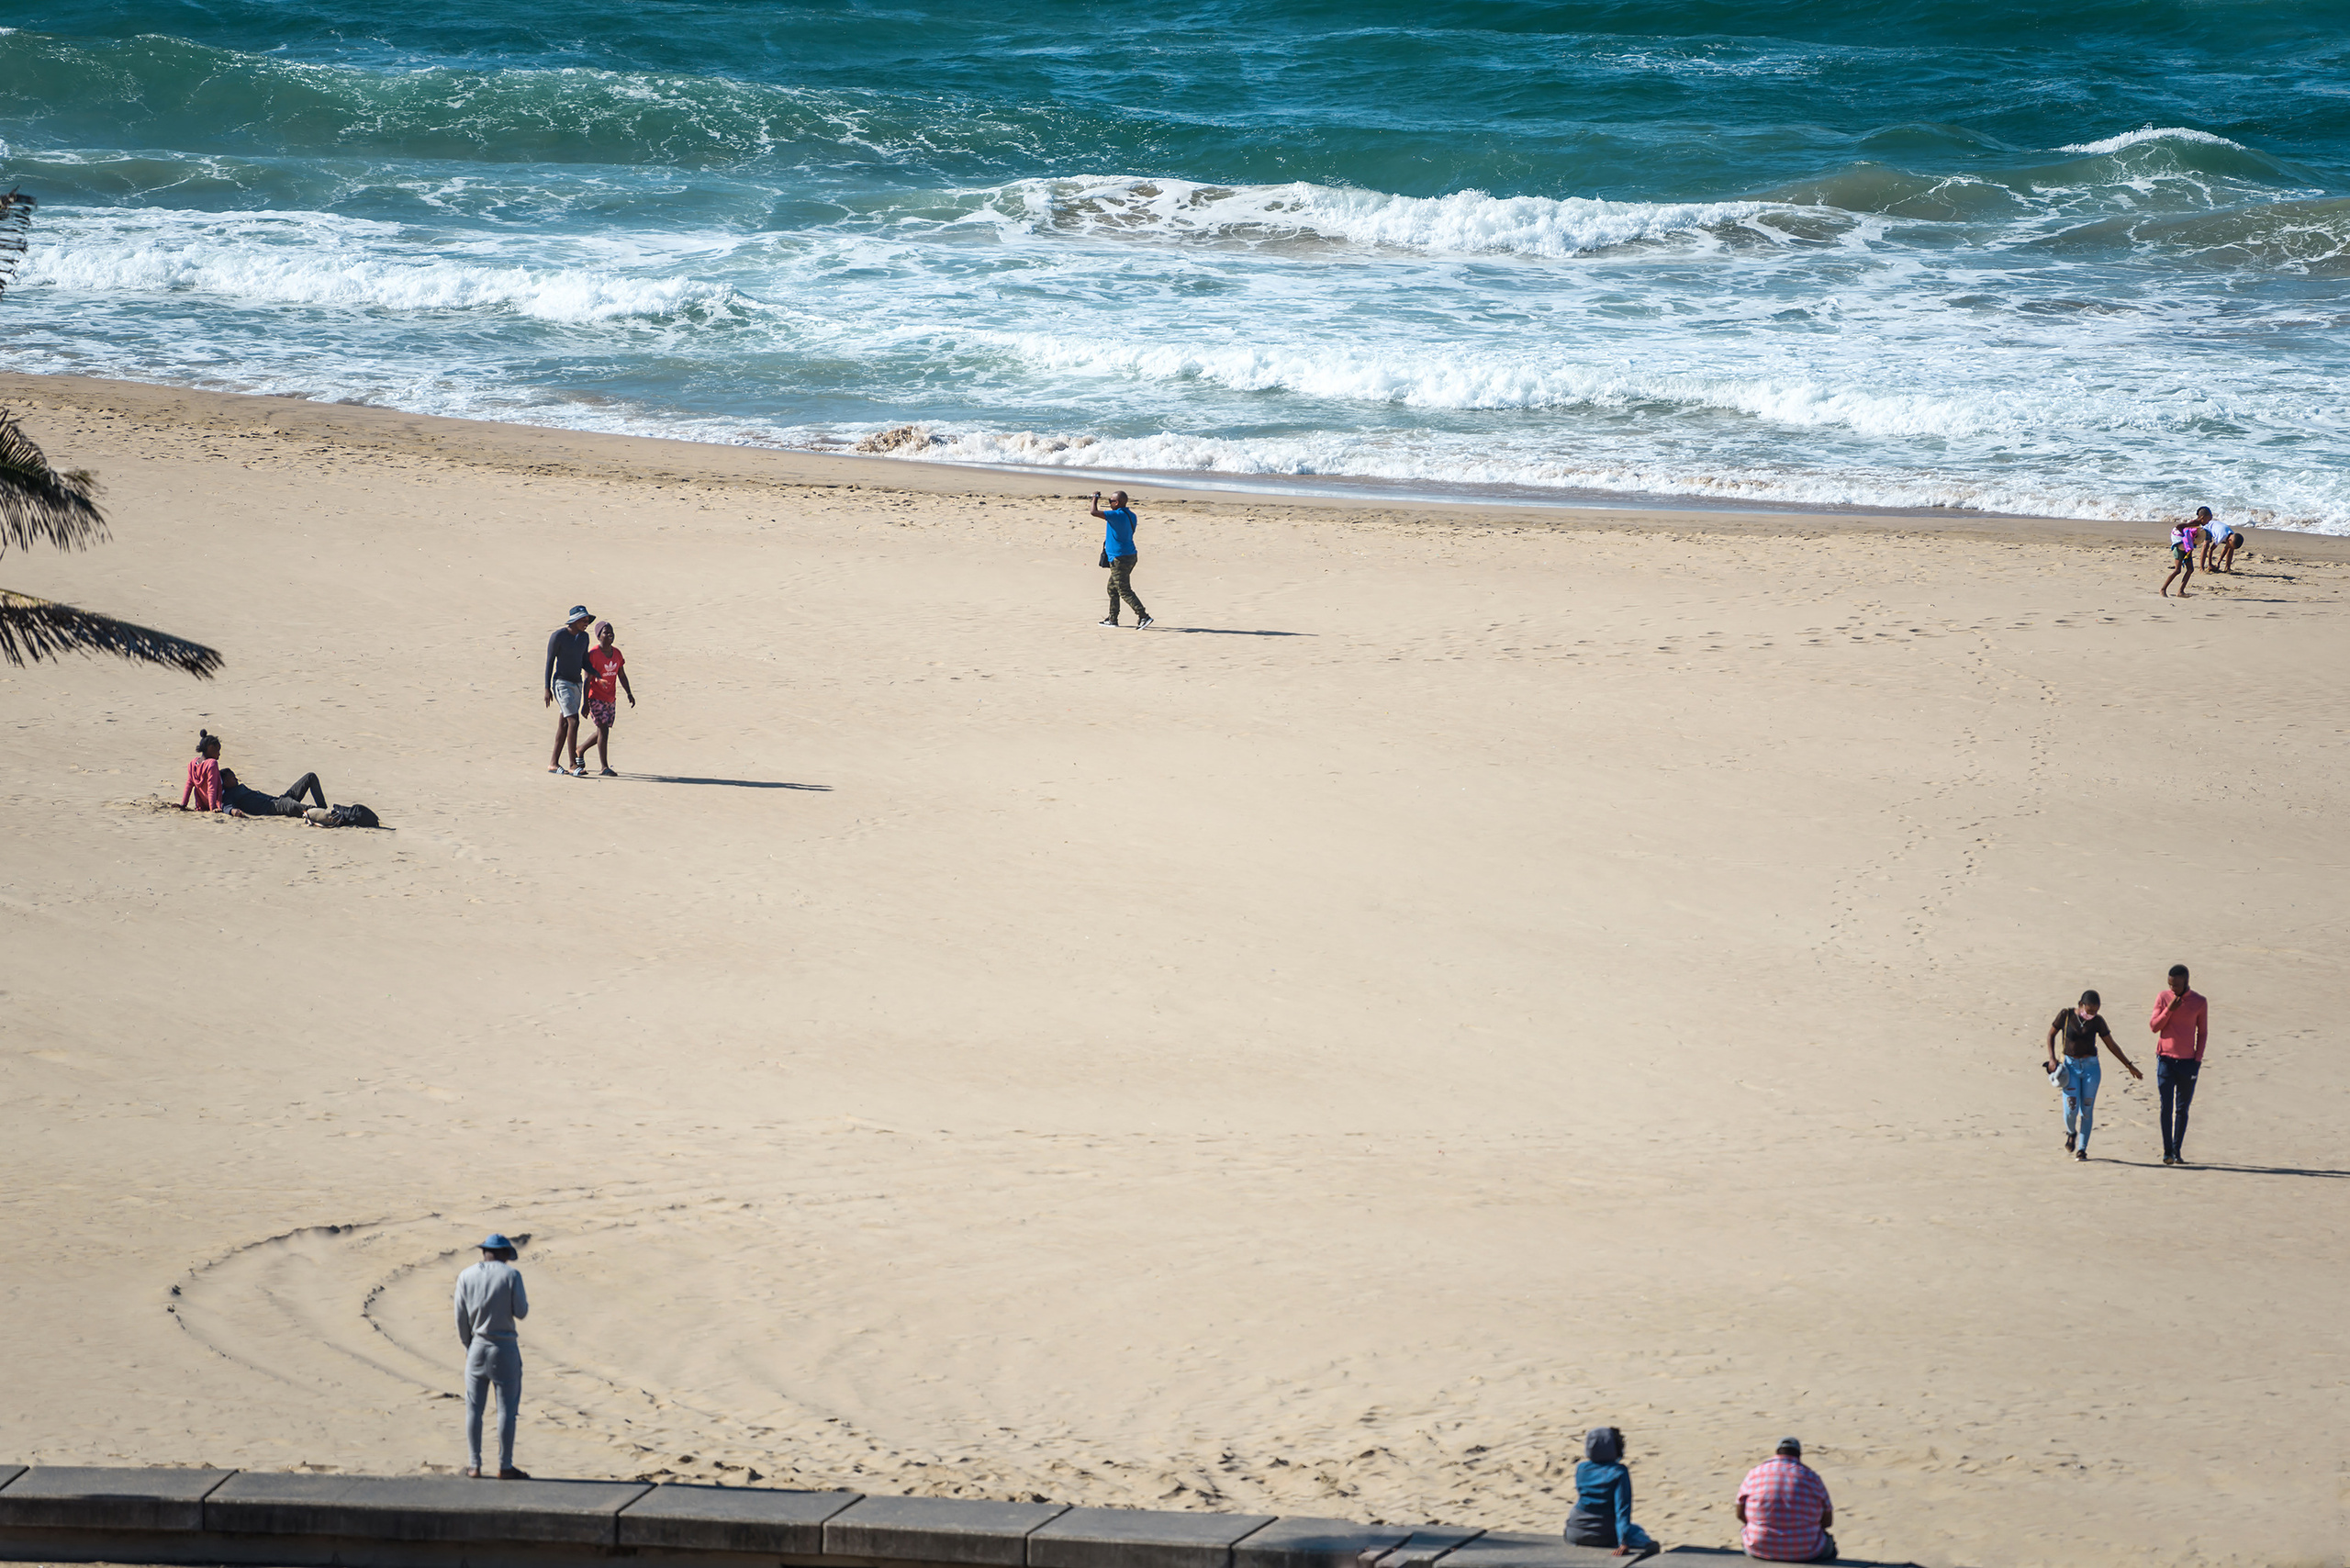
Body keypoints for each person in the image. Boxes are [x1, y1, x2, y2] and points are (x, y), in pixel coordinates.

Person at [454, 1231, 531, 1480]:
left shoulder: (466, 1275)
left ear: (485, 1252)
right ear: (505, 1255)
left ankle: (474, 1465)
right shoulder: (511, 1275)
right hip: (504, 1347)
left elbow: (460, 1317)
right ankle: (505, 1465)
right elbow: (521, 1312)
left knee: (473, 1409)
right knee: (506, 1410)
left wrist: (469, 1345)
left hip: (477, 1346)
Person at [2042, 990, 2143, 1161]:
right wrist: (2052, 1059)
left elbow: (2111, 1045)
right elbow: (2051, 1034)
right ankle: (2071, 1132)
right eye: (2089, 1011)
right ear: (2081, 1005)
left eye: (2095, 1011)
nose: (2092, 1014)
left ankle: (2082, 1149)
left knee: (2087, 1109)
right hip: (2070, 1068)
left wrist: (2129, 1065)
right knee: (2071, 1108)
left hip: (2091, 1069)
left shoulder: (2098, 1022)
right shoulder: (2066, 1015)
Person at [1562, 1426, 1659, 1559]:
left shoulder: (1581, 1468)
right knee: (1640, 1534)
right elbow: (1622, 1509)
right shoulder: (1618, 1472)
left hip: (1575, 1532)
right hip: (1604, 1533)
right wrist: (1623, 1542)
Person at [1735, 1437, 1834, 1562]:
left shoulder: (1754, 1473)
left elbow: (1740, 1513)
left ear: (1777, 1452)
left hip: (1759, 1547)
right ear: (1799, 1455)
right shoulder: (1812, 1477)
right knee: (1829, 1546)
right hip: (1807, 1550)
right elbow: (1827, 1522)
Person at [2149, 964, 2210, 1165]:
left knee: (2182, 1109)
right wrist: (2169, 1010)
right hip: (2165, 1060)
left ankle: (2177, 1150)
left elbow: (2203, 1033)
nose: (2172, 988)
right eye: (2170, 984)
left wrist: (2197, 1060)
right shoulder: (2163, 997)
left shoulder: (2199, 1002)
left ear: (2186, 981)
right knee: (2166, 1107)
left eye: (2175, 985)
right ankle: (2167, 1152)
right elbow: (2154, 1027)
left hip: (2187, 1064)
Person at [577, 619, 634, 778]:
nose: (609, 635)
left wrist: (629, 693)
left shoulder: (617, 653)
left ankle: (580, 749)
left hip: (610, 697)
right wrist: (585, 703)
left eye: (611, 632)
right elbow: (587, 680)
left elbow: (621, 675)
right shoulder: (593, 655)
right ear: (598, 636)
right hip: (595, 697)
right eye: (605, 632)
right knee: (603, 728)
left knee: (603, 730)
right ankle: (604, 767)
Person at [1090, 489, 1153, 629]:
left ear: (1117, 502)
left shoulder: (1116, 515)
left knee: (1124, 589)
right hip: (1129, 555)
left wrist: (1094, 498)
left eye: (1110, 501)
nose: (1109, 503)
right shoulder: (1131, 515)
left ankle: (1143, 616)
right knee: (1112, 588)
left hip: (1120, 558)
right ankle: (1112, 619)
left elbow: (1093, 512)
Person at [544, 605, 595, 776]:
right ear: (573, 621)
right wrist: (547, 688)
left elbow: (585, 662)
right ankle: (573, 764)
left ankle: (553, 763)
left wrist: (598, 675)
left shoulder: (584, 637)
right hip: (561, 683)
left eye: (587, 620)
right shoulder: (558, 636)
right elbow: (550, 662)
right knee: (574, 721)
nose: (586, 623)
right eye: (583, 620)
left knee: (564, 723)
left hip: (577, 683)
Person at [179, 730, 223, 812]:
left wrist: (183, 804)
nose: (219, 754)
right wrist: (213, 807)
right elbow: (211, 787)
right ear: (211, 748)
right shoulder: (212, 764)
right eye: (218, 750)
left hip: (202, 803)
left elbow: (189, 785)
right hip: (215, 801)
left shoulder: (192, 763)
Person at [2161, 518, 2200, 598]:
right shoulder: (2194, 522)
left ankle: (2180, 591)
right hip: (2179, 547)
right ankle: (2163, 589)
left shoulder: (2199, 526)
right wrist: (2188, 525)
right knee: (2177, 570)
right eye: (2208, 519)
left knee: (2190, 569)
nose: (2208, 522)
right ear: (2203, 517)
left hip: (2187, 548)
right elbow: (2178, 527)